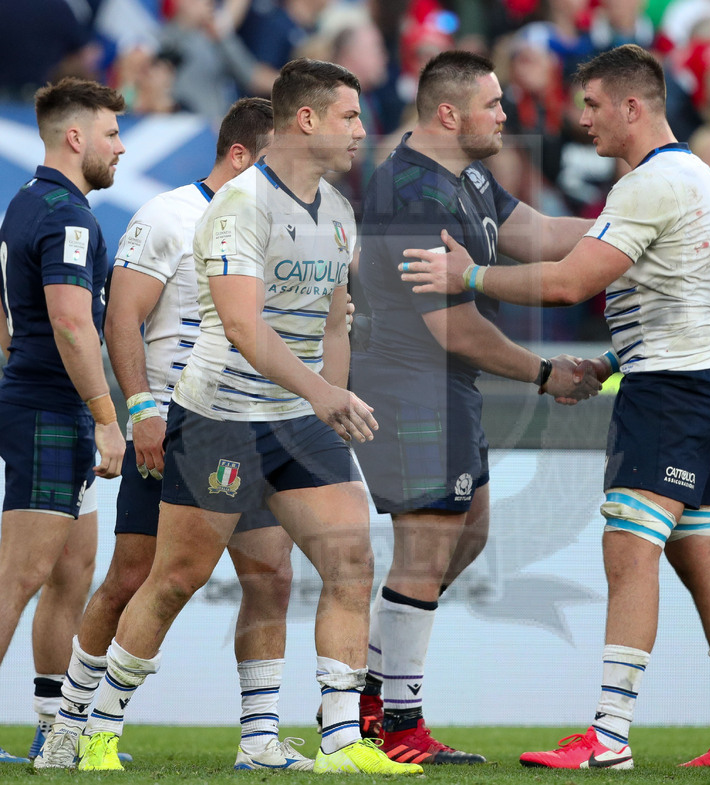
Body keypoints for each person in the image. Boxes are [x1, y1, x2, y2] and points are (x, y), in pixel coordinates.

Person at [400, 43, 710, 769]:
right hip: (707, 376)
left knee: (629, 551)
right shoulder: (697, 177)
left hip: (671, 392)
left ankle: (608, 735)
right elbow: (675, 300)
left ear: (633, 107)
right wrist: (611, 361)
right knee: (706, 558)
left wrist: (469, 274)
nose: (584, 120)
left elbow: (570, 283)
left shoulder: (647, 185)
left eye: (595, 105)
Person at [74, 58, 423, 776]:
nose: (362, 130)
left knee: (350, 561)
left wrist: (330, 399)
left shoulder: (338, 210)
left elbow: (333, 321)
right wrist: (322, 393)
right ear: (307, 120)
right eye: (350, 116)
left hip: (299, 419)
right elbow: (240, 326)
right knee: (175, 578)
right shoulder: (239, 205)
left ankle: (339, 742)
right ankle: (98, 726)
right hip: (221, 418)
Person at [34, 97, 312, 771]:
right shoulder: (167, 214)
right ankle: (71, 724)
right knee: (135, 576)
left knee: (272, 575)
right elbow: (121, 318)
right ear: (240, 156)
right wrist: (140, 409)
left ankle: (259, 740)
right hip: (177, 424)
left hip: (254, 425)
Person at [349, 49, 601, 766]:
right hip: (408, 385)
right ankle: (396, 726)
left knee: (470, 535)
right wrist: (546, 373)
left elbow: (540, 234)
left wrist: (631, 227)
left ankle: (372, 697)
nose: (504, 114)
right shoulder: (410, 191)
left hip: (444, 387)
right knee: (427, 549)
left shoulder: (469, 176)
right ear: (448, 112)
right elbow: (453, 328)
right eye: (492, 104)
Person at [0, 77, 127, 763]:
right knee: (16, 577)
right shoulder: (68, 216)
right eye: (111, 133)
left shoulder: (26, 200)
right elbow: (73, 323)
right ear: (75, 137)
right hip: (52, 408)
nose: (121, 146)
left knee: (72, 572)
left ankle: (54, 730)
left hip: (47, 401)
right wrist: (106, 417)